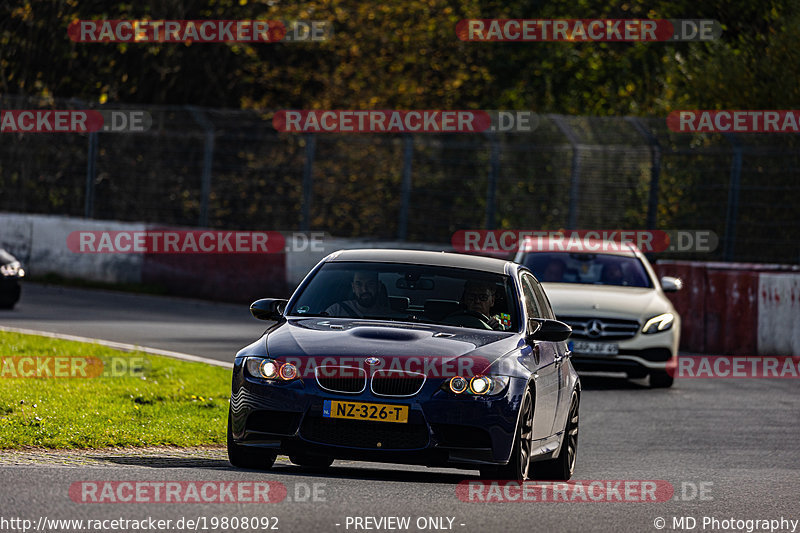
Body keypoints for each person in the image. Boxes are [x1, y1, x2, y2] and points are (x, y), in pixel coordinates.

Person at [325, 270, 392, 318]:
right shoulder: (336, 311)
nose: (364, 289)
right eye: (359, 284)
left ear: (379, 286)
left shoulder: (391, 317)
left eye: (370, 284)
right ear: (353, 287)